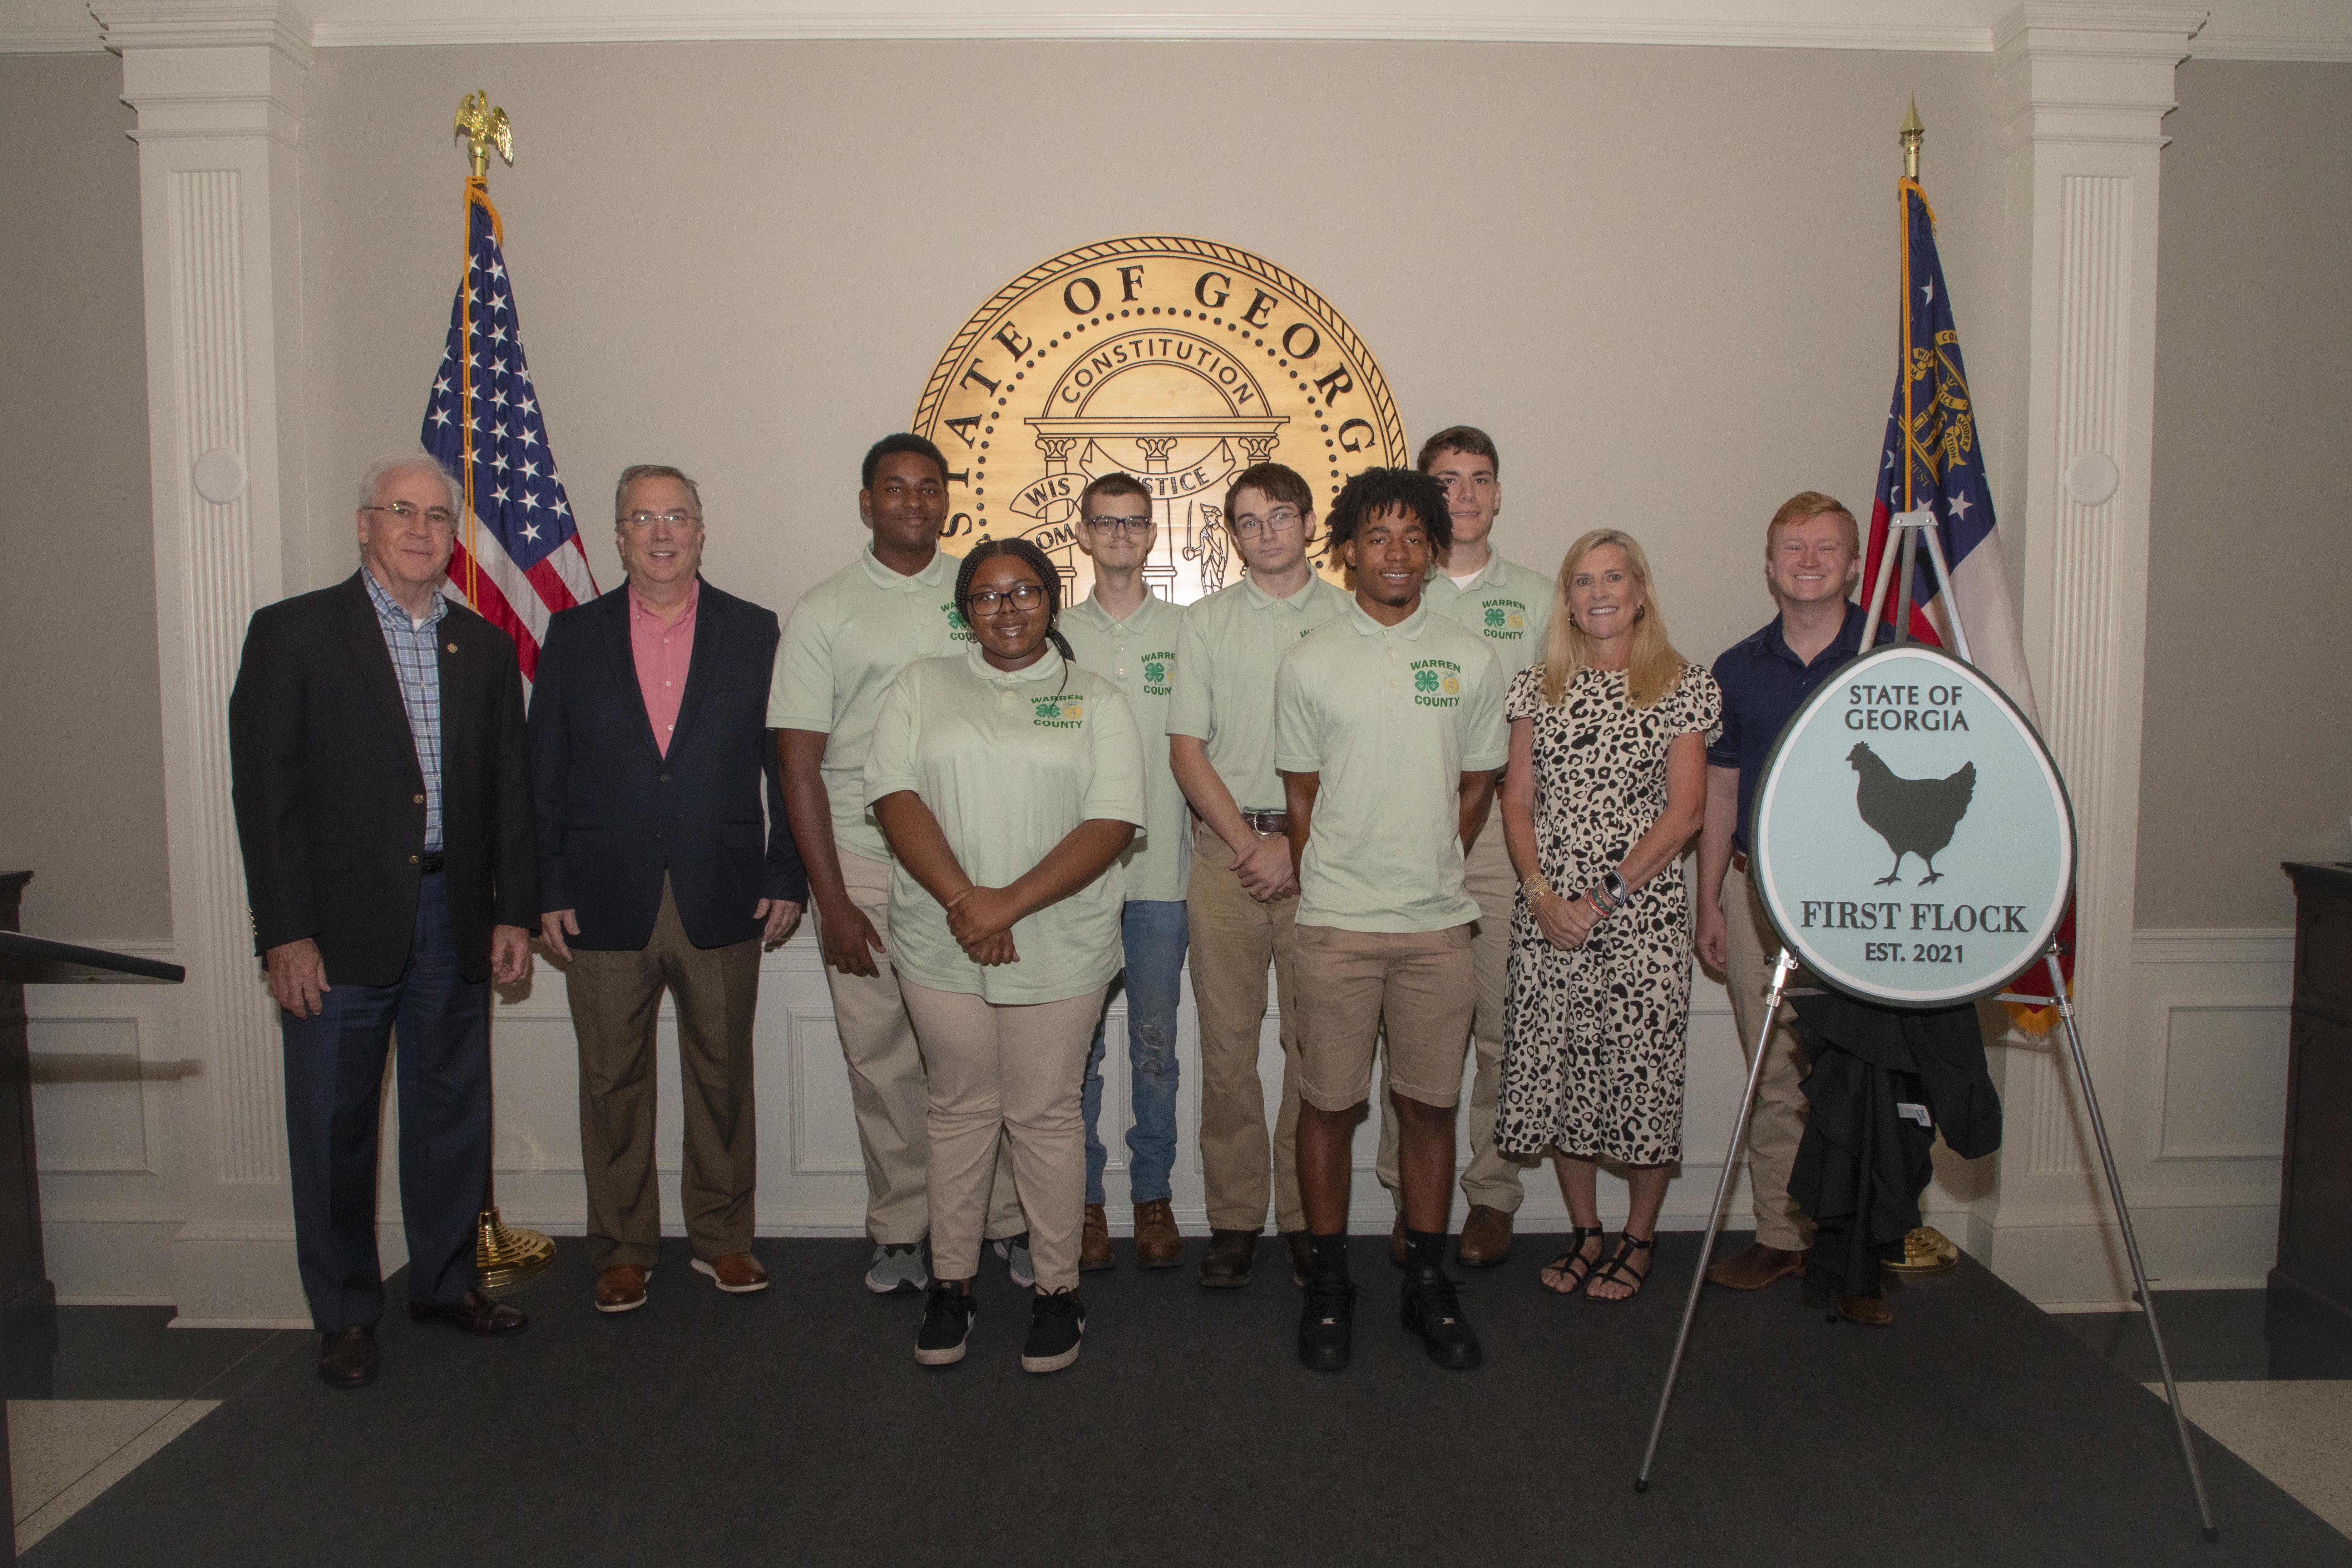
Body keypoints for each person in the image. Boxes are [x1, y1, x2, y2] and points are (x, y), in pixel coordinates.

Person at [228, 453, 536, 1389]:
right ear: (364, 523)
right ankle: (345, 1312)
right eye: (401, 510)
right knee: (334, 1125)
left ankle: (442, 1284)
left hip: (456, 915)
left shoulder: (481, 647)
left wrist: (512, 909)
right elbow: (266, 794)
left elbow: (508, 794)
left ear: (454, 537)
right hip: (336, 928)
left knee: (450, 1112)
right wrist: (285, 930)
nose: (420, 528)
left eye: (438, 516)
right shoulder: (293, 635)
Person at [864, 539, 1146, 1373]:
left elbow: (1112, 821)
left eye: (1024, 591)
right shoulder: (921, 686)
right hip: (940, 938)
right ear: (963, 611)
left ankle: (1057, 1290)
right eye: (986, 597)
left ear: (1051, 602)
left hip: (1057, 943)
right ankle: (951, 1284)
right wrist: (964, 902)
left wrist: (1004, 905)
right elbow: (893, 794)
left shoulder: (1094, 699)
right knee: (957, 1110)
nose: (1007, 608)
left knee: (1044, 1113)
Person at [529, 464, 806, 1314]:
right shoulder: (572, 637)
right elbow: (545, 773)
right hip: (602, 897)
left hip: (722, 892)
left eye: (675, 516)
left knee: (723, 1076)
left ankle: (723, 1239)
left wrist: (786, 871)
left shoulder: (754, 631)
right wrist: (547, 883)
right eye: (641, 518)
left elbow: (789, 768)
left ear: (699, 530)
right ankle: (621, 1248)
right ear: (617, 535)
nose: (659, 533)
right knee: (611, 1083)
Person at [770, 435, 1026, 1296]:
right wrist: (830, 899)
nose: (913, 502)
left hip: (975, 863)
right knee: (882, 1055)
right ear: (866, 502)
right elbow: (797, 763)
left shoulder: (984, 590)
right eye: (894, 489)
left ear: (946, 499)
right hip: (866, 865)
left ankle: (1000, 1219)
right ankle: (903, 1229)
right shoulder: (826, 609)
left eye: (928, 488)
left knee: (982, 1053)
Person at [1276, 468, 1505, 1371]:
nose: (1398, 553)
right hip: (1334, 923)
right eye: (1378, 536)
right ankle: (1330, 1284)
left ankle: (1425, 1282)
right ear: (1347, 552)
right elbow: (1300, 793)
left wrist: (1427, 858)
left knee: (1429, 1108)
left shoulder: (1471, 656)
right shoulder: (1308, 659)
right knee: (1326, 1107)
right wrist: (1343, 871)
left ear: (1433, 548)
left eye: (1414, 536)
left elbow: (1479, 780)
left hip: (1437, 928)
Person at [1495, 528, 1719, 1304]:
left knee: (1642, 1079)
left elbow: (1686, 812)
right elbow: (1516, 800)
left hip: (1639, 922)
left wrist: (1598, 900)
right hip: (1549, 919)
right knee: (1563, 1078)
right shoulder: (1536, 686)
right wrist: (1540, 896)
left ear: (1640, 591)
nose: (1597, 593)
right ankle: (1585, 1232)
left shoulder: (1680, 684)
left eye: (1612, 578)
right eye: (1582, 581)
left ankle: (1639, 1237)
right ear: (1566, 599)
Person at [1371, 425, 1555, 1271]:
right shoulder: (1395, 585)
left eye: (1480, 479)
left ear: (1497, 492)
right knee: (1404, 1026)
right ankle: (1412, 1198)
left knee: (1495, 1027)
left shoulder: (1540, 595)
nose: (1466, 496)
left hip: (1497, 842)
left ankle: (1490, 1193)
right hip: (1405, 838)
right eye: (1446, 482)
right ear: (1424, 496)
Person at [1165, 463, 1352, 1288]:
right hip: (1224, 856)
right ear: (1232, 536)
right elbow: (1185, 749)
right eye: (1248, 520)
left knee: (1316, 1051)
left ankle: (1306, 1218)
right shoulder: (1204, 623)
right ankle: (1235, 1219)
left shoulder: (1353, 619)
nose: (1266, 531)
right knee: (1227, 1048)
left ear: (1308, 523)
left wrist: (1297, 847)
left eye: (1280, 515)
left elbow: (1361, 752)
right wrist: (1250, 844)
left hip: (1328, 859)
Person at [1692, 493, 1871, 1306]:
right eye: (1791, 547)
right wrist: (1708, 902)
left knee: (1861, 1076)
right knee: (1772, 1072)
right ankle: (1778, 1236)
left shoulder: (1892, 655)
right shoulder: (1734, 670)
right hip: (1754, 895)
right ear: (1768, 566)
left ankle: (1859, 1251)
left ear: (1855, 560)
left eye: (1825, 546)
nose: (1808, 560)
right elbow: (1718, 794)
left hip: (1864, 900)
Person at [1060, 473, 1189, 1270]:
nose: (1118, 535)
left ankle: (1152, 1194)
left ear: (1151, 535)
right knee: (1074, 1053)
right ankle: (1079, 1202)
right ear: (1082, 532)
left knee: (1153, 1048)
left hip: (1160, 878)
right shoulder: (1049, 629)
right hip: (1071, 882)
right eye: (1104, 522)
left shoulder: (1186, 630)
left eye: (1132, 523)